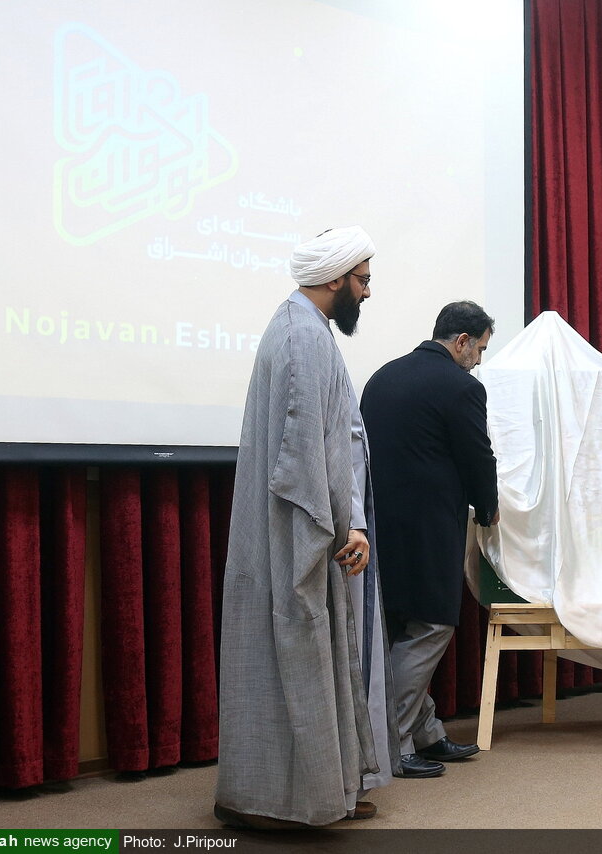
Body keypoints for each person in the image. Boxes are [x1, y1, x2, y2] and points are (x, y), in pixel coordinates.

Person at [215, 227, 397, 828]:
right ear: (334, 277)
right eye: (362, 280)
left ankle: (327, 790)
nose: (367, 292)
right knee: (296, 658)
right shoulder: (302, 337)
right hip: (301, 533)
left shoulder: (303, 328)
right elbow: (303, 456)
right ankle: (286, 803)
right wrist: (342, 527)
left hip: (310, 529)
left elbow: (333, 435)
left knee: (309, 658)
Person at [360, 300, 500, 779]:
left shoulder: (382, 377)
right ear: (461, 341)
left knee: (401, 628)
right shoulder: (462, 387)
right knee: (432, 627)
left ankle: (426, 732)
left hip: (378, 525)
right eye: (480, 349)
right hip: (430, 527)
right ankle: (394, 743)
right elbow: (477, 454)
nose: (478, 360)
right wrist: (488, 506)